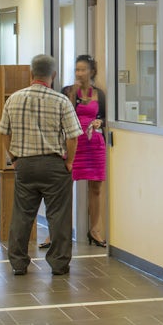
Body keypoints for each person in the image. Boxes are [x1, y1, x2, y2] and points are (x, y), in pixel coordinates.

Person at [0, 53, 83, 276]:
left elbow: (4, 133)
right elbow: (73, 137)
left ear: (31, 73)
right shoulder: (61, 100)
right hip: (54, 165)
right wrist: (70, 163)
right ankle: (58, 264)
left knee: (22, 215)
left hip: (24, 164)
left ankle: (18, 263)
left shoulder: (14, 98)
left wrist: (14, 158)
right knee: (59, 216)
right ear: (53, 75)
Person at [62, 54, 108, 248]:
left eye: (83, 69)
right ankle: (59, 231)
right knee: (63, 187)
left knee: (96, 188)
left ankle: (95, 229)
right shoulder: (67, 92)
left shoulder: (100, 94)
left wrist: (100, 122)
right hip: (73, 142)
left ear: (92, 71)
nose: (79, 73)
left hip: (94, 142)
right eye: (77, 69)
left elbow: (105, 117)